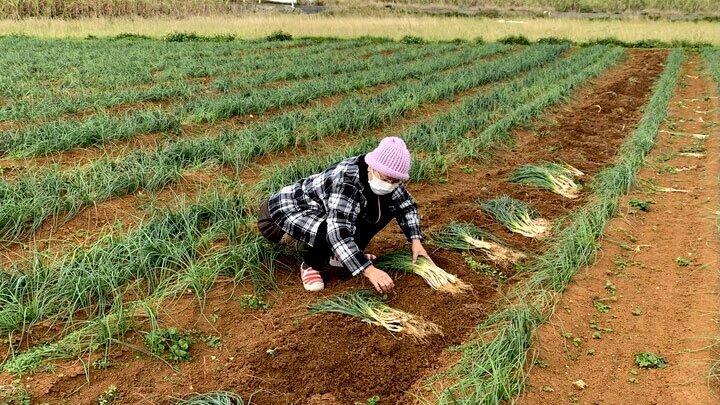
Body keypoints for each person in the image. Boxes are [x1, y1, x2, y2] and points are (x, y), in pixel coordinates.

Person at [257, 137, 434, 293]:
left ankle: (339, 256)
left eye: (394, 181)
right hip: (290, 208)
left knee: (384, 208)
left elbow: (406, 206)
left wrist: (415, 241)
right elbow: (337, 231)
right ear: (372, 166)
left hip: (327, 210)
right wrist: (369, 270)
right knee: (329, 227)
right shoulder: (346, 180)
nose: (389, 184)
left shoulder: (388, 176)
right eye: (386, 179)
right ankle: (311, 264)